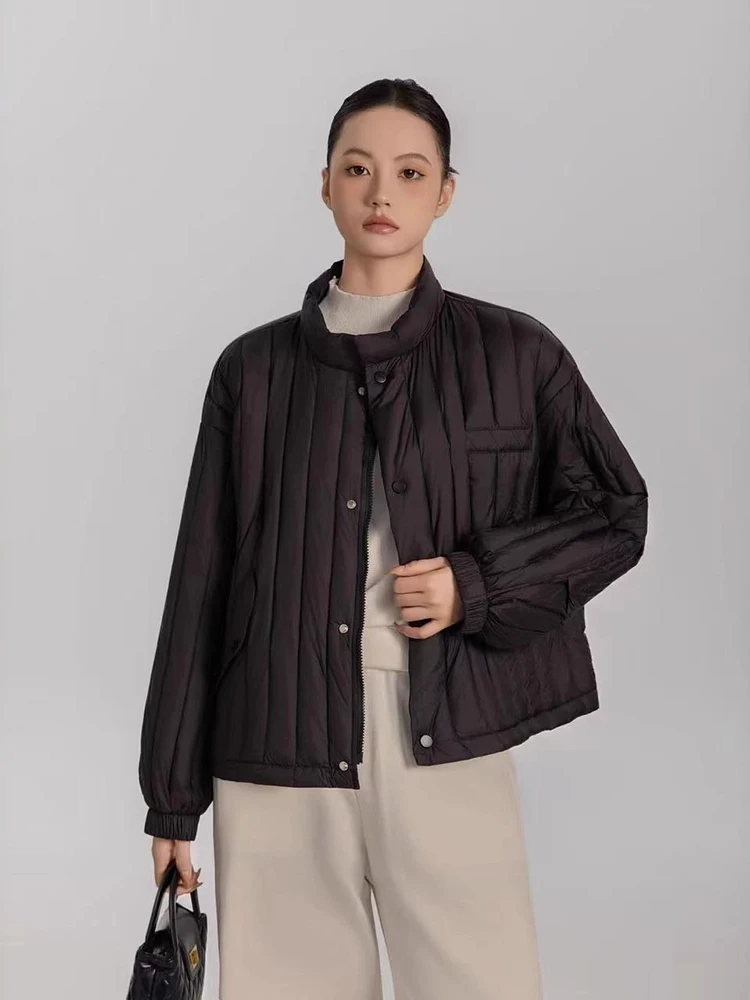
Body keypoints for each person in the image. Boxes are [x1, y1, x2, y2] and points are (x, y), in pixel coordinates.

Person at [138, 77, 648, 999]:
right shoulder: (252, 371)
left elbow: (615, 511)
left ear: (444, 192)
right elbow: (200, 585)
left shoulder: (515, 353)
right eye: (358, 169)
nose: (382, 193)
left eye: (410, 173)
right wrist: (172, 801)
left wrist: (475, 583)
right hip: (276, 747)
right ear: (325, 184)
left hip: (446, 735)